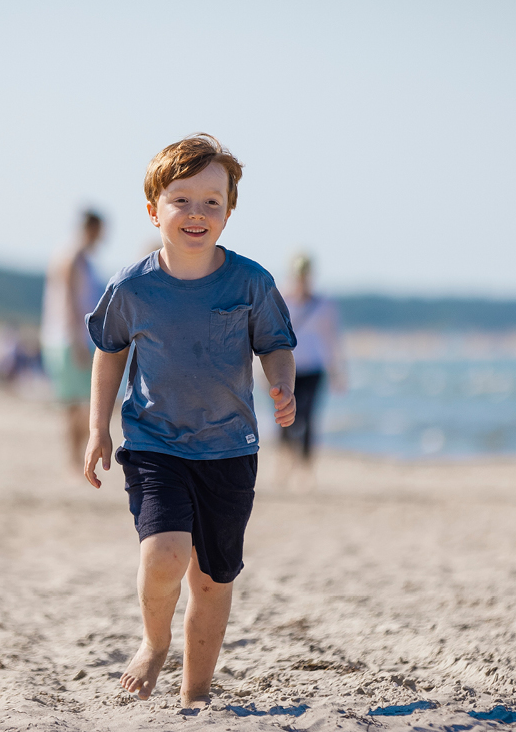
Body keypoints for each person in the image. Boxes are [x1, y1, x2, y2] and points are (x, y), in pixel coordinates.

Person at [83, 134, 297, 708]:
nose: (196, 213)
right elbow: (110, 351)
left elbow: (276, 344)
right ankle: (154, 643)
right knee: (165, 556)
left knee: (211, 579)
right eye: (182, 200)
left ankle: (196, 692)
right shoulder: (133, 287)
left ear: (229, 211)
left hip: (229, 448)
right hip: (155, 442)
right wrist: (97, 426)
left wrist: (282, 382)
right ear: (154, 209)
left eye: (211, 201)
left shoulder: (251, 282)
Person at [41, 210, 106, 473]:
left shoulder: (79, 257)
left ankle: (76, 459)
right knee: (76, 402)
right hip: (69, 338)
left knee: (80, 401)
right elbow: (68, 302)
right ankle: (73, 460)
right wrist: (78, 340)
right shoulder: (72, 256)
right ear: (91, 228)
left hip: (70, 337)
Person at [278, 254, 345, 486]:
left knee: (307, 418)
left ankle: (305, 469)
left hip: (313, 369)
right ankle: (286, 461)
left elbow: (331, 339)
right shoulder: (280, 299)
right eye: (298, 276)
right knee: (284, 419)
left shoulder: (323, 304)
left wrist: (337, 371)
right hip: (283, 369)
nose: (302, 280)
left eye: (305, 276)